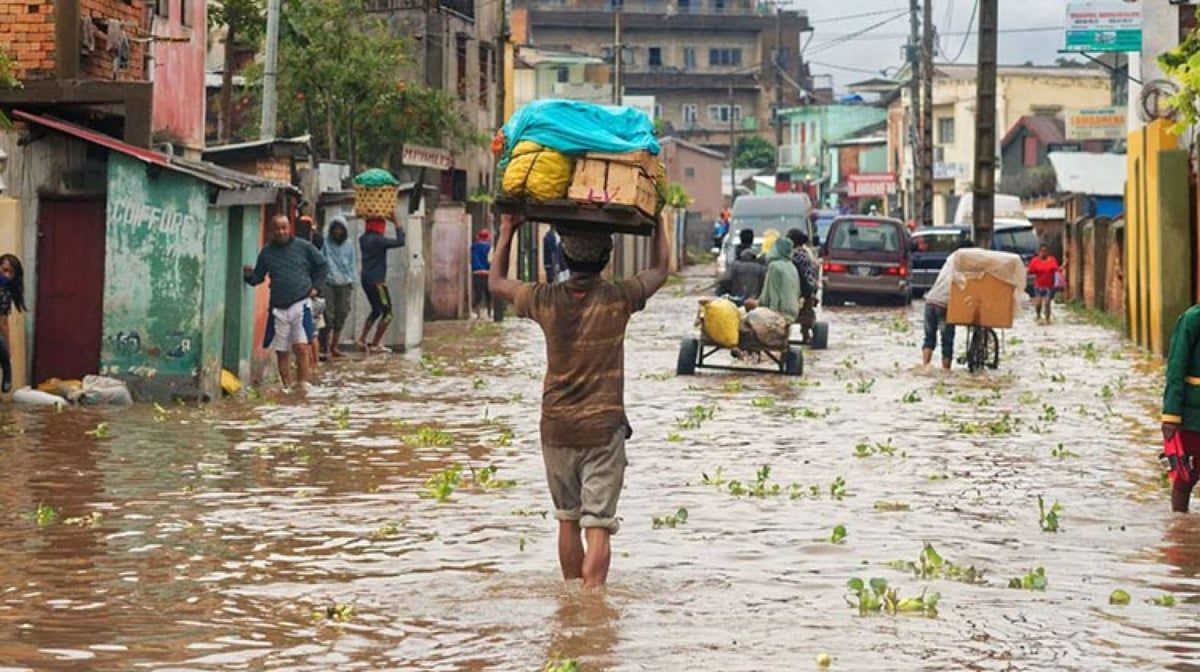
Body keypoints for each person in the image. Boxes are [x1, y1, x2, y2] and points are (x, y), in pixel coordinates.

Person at [488, 215, 670, 588]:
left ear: (565, 259)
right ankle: (591, 611)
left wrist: (508, 232)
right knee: (598, 525)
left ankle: (573, 605)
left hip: (556, 426)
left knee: (567, 518)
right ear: (607, 257)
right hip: (602, 428)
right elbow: (661, 270)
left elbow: (495, 283)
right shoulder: (620, 298)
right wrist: (660, 223)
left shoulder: (544, 299)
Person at [244, 215, 328, 387]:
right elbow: (258, 278)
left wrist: (316, 288)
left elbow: (322, 265)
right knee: (282, 351)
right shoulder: (266, 253)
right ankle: (287, 388)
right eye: (277, 228)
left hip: (301, 303)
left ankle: (302, 387)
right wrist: (247, 276)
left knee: (302, 348)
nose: (281, 232)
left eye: (284, 227)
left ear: (289, 229)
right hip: (278, 308)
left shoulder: (303, 247)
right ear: (271, 231)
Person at [1162, 304, 1200, 512]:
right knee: (1187, 476)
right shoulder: (1192, 320)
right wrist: (1171, 416)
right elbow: (1175, 368)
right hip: (1194, 417)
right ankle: (1179, 526)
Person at [921, 243, 973, 370]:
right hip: (944, 305)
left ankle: (925, 366)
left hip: (930, 301)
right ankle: (946, 371)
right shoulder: (966, 265)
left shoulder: (950, 261)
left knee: (929, 338)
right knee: (947, 341)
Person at [357, 217, 405, 353]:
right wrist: (396, 222)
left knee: (376, 310)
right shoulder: (379, 240)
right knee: (388, 313)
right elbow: (401, 241)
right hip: (378, 282)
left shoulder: (363, 239)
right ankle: (375, 344)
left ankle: (361, 339)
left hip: (365, 280)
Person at [322, 216, 355, 358]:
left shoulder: (349, 245)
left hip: (345, 283)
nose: (337, 232)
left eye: (340, 229)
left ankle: (334, 346)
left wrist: (352, 281)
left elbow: (353, 263)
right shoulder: (325, 243)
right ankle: (325, 348)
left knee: (341, 314)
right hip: (328, 283)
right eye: (335, 229)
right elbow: (321, 260)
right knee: (327, 316)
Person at [751, 236, 799, 320]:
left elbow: (774, 293)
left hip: (780, 312)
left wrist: (772, 315)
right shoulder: (792, 266)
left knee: (747, 305)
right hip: (793, 311)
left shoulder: (774, 266)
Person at [786, 228, 820, 343]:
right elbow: (813, 276)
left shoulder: (793, 256)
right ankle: (805, 334)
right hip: (806, 291)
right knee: (807, 310)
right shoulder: (808, 254)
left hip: (798, 291)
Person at [0, 254, 27, 394]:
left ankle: (7, 379)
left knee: (3, 351)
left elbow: (3, 321)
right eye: (4, 270)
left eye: (10, 272)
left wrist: (7, 345)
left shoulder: (5, 293)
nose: (6, 275)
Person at [1027, 244, 1063, 323]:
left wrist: (1063, 266)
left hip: (1049, 287)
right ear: (1039, 252)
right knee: (1038, 303)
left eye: (1045, 251)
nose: (1044, 253)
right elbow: (1029, 271)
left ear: (1048, 252)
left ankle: (1047, 319)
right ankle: (1038, 315)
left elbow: (1057, 270)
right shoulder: (1035, 261)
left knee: (1047, 303)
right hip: (1038, 286)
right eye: (1042, 251)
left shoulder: (1052, 260)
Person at [471, 229, 493, 319]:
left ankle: (478, 313)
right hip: (487, 273)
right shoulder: (489, 247)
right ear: (487, 237)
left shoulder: (474, 247)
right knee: (489, 294)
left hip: (477, 273)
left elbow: (472, 258)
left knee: (478, 294)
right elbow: (491, 260)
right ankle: (489, 312)